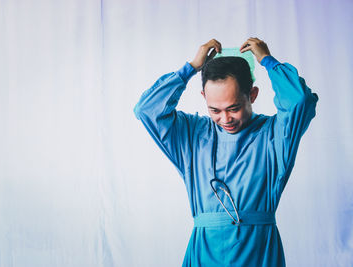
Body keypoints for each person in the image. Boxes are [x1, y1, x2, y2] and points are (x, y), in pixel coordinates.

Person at [134, 38, 318, 267]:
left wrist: (268, 61)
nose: (225, 119)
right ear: (204, 98)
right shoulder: (192, 136)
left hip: (258, 252)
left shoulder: (276, 134)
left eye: (234, 108)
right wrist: (190, 68)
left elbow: (299, 100)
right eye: (215, 110)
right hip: (205, 252)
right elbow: (146, 110)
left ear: (252, 95)